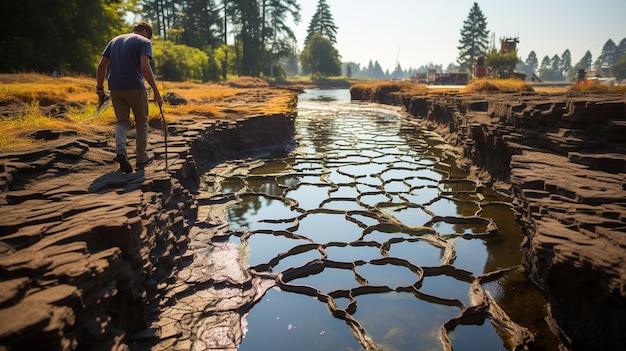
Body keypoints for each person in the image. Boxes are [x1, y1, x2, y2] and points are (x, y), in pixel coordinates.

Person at [96, 21, 163, 173]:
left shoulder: (115, 40)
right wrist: (156, 92)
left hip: (114, 87)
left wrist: (100, 90)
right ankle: (141, 157)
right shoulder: (144, 42)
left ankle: (121, 150)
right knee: (142, 122)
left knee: (122, 121)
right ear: (146, 32)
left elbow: (101, 66)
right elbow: (145, 66)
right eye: (150, 36)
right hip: (135, 88)